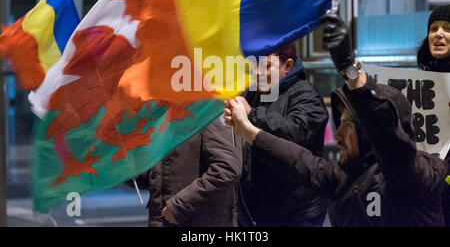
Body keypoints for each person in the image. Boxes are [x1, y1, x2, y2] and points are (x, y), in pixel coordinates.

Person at [224, 14, 448, 226]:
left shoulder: (414, 174)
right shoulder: (344, 175)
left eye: (348, 126)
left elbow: (388, 137)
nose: (338, 134)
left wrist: (349, 68)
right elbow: (296, 160)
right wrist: (247, 130)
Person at [238, 42, 329, 227]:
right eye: (255, 65)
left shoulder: (306, 94)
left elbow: (295, 132)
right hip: (264, 209)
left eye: (266, 66)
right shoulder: (255, 93)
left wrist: (252, 115)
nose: (257, 72)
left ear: (287, 66)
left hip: (298, 212)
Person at [131, 117, 242, 227]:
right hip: (163, 219)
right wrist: (127, 167)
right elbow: (156, 179)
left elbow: (227, 168)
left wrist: (180, 206)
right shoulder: (164, 111)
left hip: (203, 221)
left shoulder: (210, 106)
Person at [416, 4, 450, 226]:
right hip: (424, 181)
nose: (439, 34)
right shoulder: (418, 81)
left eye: (447, 28)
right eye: (434, 28)